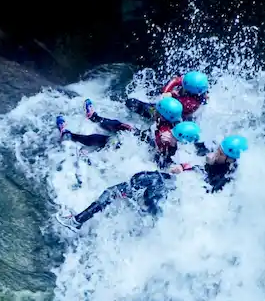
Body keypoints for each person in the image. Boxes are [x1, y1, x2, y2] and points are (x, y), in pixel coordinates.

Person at [59, 132, 248, 230]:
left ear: (230, 159)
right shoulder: (221, 162)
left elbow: (206, 193)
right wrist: (184, 164)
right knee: (136, 183)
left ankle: (77, 221)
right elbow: (199, 152)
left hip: (177, 193)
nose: (216, 153)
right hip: (174, 185)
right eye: (218, 149)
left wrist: (192, 169)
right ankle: (81, 219)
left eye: (220, 153)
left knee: (133, 195)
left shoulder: (223, 179)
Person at [58, 96, 192, 167]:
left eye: (157, 110)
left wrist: (170, 144)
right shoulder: (170, 120)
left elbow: (169, 154)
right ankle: (94, 118)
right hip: (151, 145)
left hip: (152, 156)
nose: (154, 110)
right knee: (124, 127)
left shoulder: (166, 131)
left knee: (110, 141)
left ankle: (70, 136)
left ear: (162, 115)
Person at [126, 70, 209, 123]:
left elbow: (171, 108)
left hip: (170, 116)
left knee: (132, 103)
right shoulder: (198, 88)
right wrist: (166, 92)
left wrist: (172, 94)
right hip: (175, 112)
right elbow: (177, 80)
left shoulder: (189, 103)